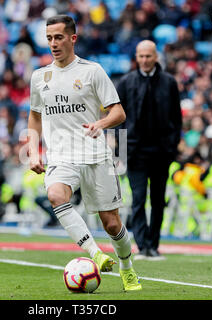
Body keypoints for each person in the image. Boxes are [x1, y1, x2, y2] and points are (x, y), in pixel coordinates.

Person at [27, 15, 142, 291]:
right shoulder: (40, 77)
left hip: (95, 154)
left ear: (72, 38)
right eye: (49, 38)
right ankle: (95, 253)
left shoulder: (92, 71)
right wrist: (33, 151)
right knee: (55, 194)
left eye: (59, 37)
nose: (53, 43)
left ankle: (126, 268)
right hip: (61, 156)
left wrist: (100, 123)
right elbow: (34, 117)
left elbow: (118, 112)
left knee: (112, 223)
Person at [116, 40, 182, 260]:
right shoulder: (125, 83)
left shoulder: (169, 83)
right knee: (138, 198)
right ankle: (142, 245)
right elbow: (117, 118)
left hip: (162, 152)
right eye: (141, 56)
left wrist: (171, 148)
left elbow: (176, 118)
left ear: (156, 57)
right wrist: (121, 150)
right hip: (135, 152)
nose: (144, 60)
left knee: (157, 200)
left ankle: (153, 245)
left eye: (148, 56)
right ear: (136, 57)